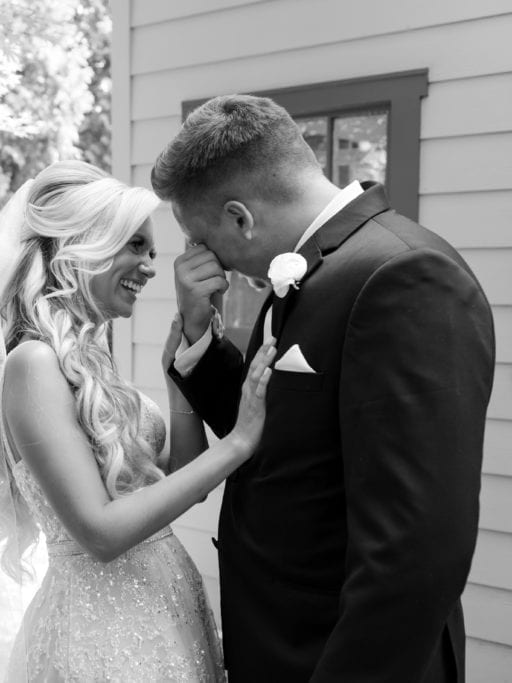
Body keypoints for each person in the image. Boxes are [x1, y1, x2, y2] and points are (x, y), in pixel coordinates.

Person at [152, 94, 496, 682]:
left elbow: (415, 553)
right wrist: (197, 332)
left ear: (240, 217)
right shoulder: (312, 271)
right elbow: (275, 430)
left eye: (201, 239)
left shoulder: (403, 276)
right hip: (282, 645)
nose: (206, 259)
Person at [0, 159, 276, 681]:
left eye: (152, 251)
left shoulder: (89, 363)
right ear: (81, 246)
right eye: (135, 246)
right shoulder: (32, 364)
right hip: (103, 635)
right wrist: (240, 442)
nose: (152, 266)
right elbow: (101, 533)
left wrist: (177, 379)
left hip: (162, 610)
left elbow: (187, 476)